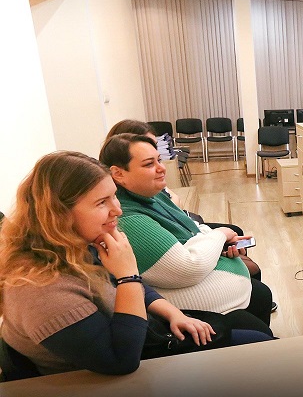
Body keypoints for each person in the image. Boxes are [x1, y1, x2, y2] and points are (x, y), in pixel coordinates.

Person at [0, 152, 270, 376]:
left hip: (137, 339)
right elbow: (121, 361)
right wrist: (128, 275)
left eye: (114, 196)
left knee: (256, 340)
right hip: (109, 375)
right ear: (59, 214)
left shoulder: (75, 246)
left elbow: (134, 290)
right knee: (258, 348)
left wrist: (173, 314)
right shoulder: (41, 291)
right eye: (102, 202)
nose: (117, 210)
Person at [98, 134, 275, 334]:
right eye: (149, 164)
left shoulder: (151, 194)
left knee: (261, 296)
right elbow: (188, 267)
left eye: (159, 160)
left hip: (222, 296)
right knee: (260, 333)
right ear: (118, 173)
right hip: (201, 313)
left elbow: (193, 228)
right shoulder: (129, 219)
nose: (161, 168)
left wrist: (218, 245)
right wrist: (220, 235)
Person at [104, 120, 265, 285]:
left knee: (236, 242)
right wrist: (216, 239)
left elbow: (176, 202)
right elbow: (185, 261)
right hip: (189, 248)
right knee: (254, 278)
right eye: (148, 161)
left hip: (188, 230)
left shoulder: (150, 190)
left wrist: (214, 242)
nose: (161, 167)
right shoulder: (129, 213)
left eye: (157, 154)